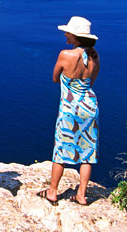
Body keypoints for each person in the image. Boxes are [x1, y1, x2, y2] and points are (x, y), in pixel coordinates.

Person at [38, 16, 100, 206]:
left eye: (68, 33)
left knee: (61, 151)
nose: (65, 34)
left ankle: (52, 192)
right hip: (90, 106)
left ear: (76, 37)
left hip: (69, 108)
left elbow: (55, 78)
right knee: (88, 153)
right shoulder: (95, 58)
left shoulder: (65, 54)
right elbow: (91, 82)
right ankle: (81, 195)